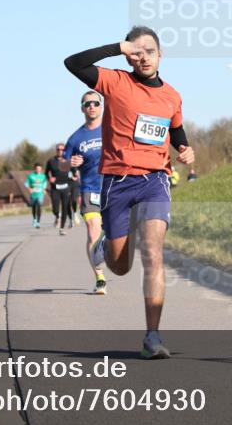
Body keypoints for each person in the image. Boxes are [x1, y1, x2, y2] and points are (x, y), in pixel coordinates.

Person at [64, 26, 195, 359]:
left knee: (153, 253)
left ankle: (152, 336)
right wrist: (117, 47)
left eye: (149, 51)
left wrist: (185, 149)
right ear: (129, 55)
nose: (143, 57)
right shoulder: (115, 81)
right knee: (120, 266)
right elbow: (73, 63)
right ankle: (106, 244)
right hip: (116, 183)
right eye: (137, 52)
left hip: (155, 179)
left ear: (160, 55)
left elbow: (176, 132)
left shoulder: (172, 95)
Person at [63, 90, 106, 294]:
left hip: (114, 187)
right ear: (82, 108)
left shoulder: (113, 128)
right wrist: (70, 163)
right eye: (87, 103)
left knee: (116, 234)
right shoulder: (76, 137)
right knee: (92, 229)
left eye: (95, 103)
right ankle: (99, 276)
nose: (91, 106)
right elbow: (62, 163)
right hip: (89, 189)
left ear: (101, 106)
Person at [45, 143, 75, 234]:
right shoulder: (51, 161)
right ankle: (57, 216)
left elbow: (74, 171)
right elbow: (46, 173)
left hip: (66, 187)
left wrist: (75, 176)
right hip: (55, 188)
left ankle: (62, 228)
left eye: (62, 149)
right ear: (56, 150)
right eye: (58, 149)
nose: (60, 151)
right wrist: (49, 179)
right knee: (55, 208)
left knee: (65, 208)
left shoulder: (68, 160)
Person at [24, 163, 48, 228]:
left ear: (41, 169)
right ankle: (34, 219)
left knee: (39, 205)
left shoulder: (43, 176)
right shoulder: (31, 176)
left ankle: (38, 222)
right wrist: (29, 189)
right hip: (33, 194)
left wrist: (44, 189)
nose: (38, 170)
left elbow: (45, 183)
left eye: (39, 168)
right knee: (34, 207)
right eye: (37, 168)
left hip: (40, 194)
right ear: (35, 169)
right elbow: (26, 183)